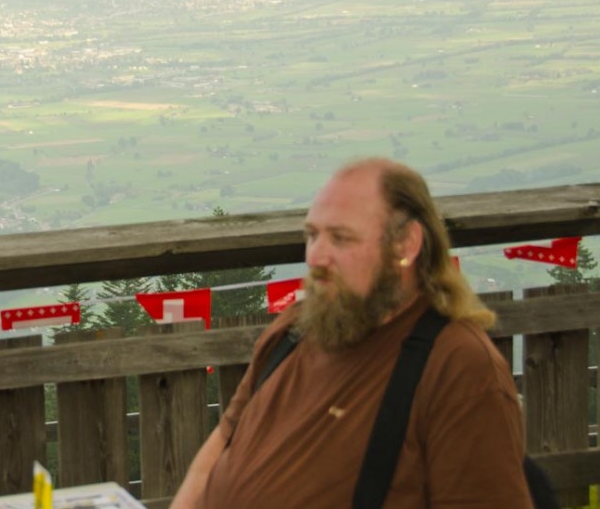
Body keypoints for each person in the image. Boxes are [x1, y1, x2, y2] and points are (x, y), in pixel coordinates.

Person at [171, 157, 532, 508]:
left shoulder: (458, 366)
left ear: (405, 244)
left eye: (341, 239)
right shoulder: (294, 330)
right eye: (313, 235)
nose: (316, 257)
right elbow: (223, 441)